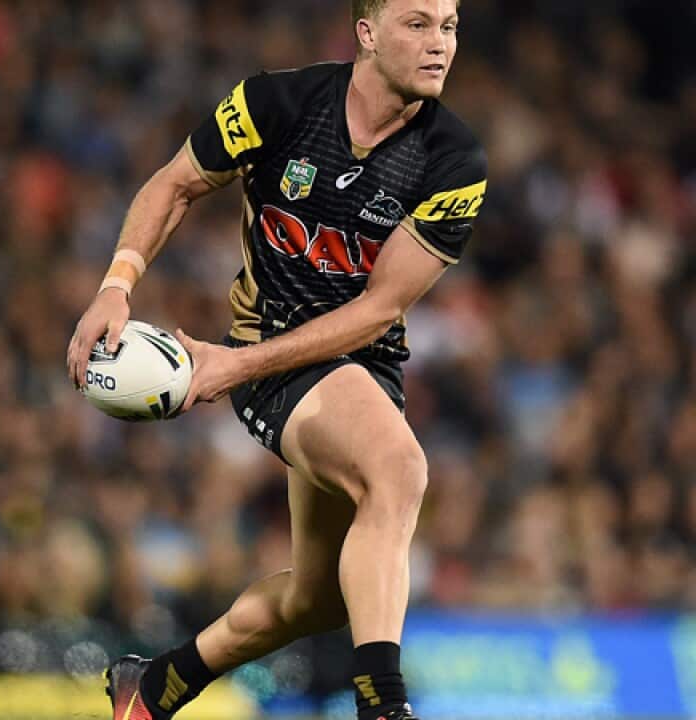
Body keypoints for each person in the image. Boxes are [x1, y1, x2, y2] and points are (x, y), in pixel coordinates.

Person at [66, 1, 485, 719]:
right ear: (366, 32)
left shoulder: (455, 161)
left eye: (447, 26)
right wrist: (116, 284)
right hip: (272, 349)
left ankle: (157, 684)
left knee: (315, 599)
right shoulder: (275, 104)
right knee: (401, 469)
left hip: (356, 366)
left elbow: (380, 309)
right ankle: (383, 706)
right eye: (417, 24)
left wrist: (236, 367)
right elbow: (175, 183)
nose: (439, 43)